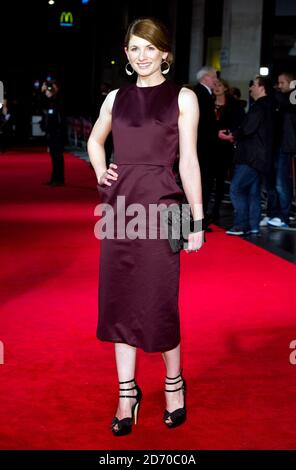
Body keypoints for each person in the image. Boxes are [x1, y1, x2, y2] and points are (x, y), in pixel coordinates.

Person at [87, 17, 204, 436]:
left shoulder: (183, 97)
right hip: (119, 209)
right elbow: (94, 140)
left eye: (149, 48)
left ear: (165, 53)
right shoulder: (115, 97)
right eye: (134, 48)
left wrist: (197, 219)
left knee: (159, 302)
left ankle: (174, 384)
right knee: (119, 303)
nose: (142, 56)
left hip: (166, 207)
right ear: (127, 54)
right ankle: (126, 393)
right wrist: (102, 172)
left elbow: (188, 161)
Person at [220, 76, 276, 236]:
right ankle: (253, 226)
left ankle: (240, 225)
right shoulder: (270, 106)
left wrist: (232, 136)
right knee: (253, 192)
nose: (250, 88)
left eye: (253, 85)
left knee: (236, 189)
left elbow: (248, 128)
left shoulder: (259, 107)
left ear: (262, 87)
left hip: (250, 156)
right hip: (262, 158)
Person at [193, 66, 218, 229]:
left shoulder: (204, 94)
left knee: (202, 182)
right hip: (203, 147)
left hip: (203, 146)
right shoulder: (202, 94)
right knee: (202, 182)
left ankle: (199, 219)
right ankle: (198, 220)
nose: (216, 80)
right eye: (214, 77)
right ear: (205, 78)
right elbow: (204, 123)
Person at [41, 79, 65, 186]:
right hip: (51, 132)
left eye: (53, 86)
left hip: (58, 133)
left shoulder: (60, 99)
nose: (50, 89)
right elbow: (42, 105)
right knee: (53, 156)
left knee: (57, 156)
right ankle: (54, 178)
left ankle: (59, 179)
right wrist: (43, 92)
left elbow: (59, 108)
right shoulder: (51, 100)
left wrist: (54, 92)